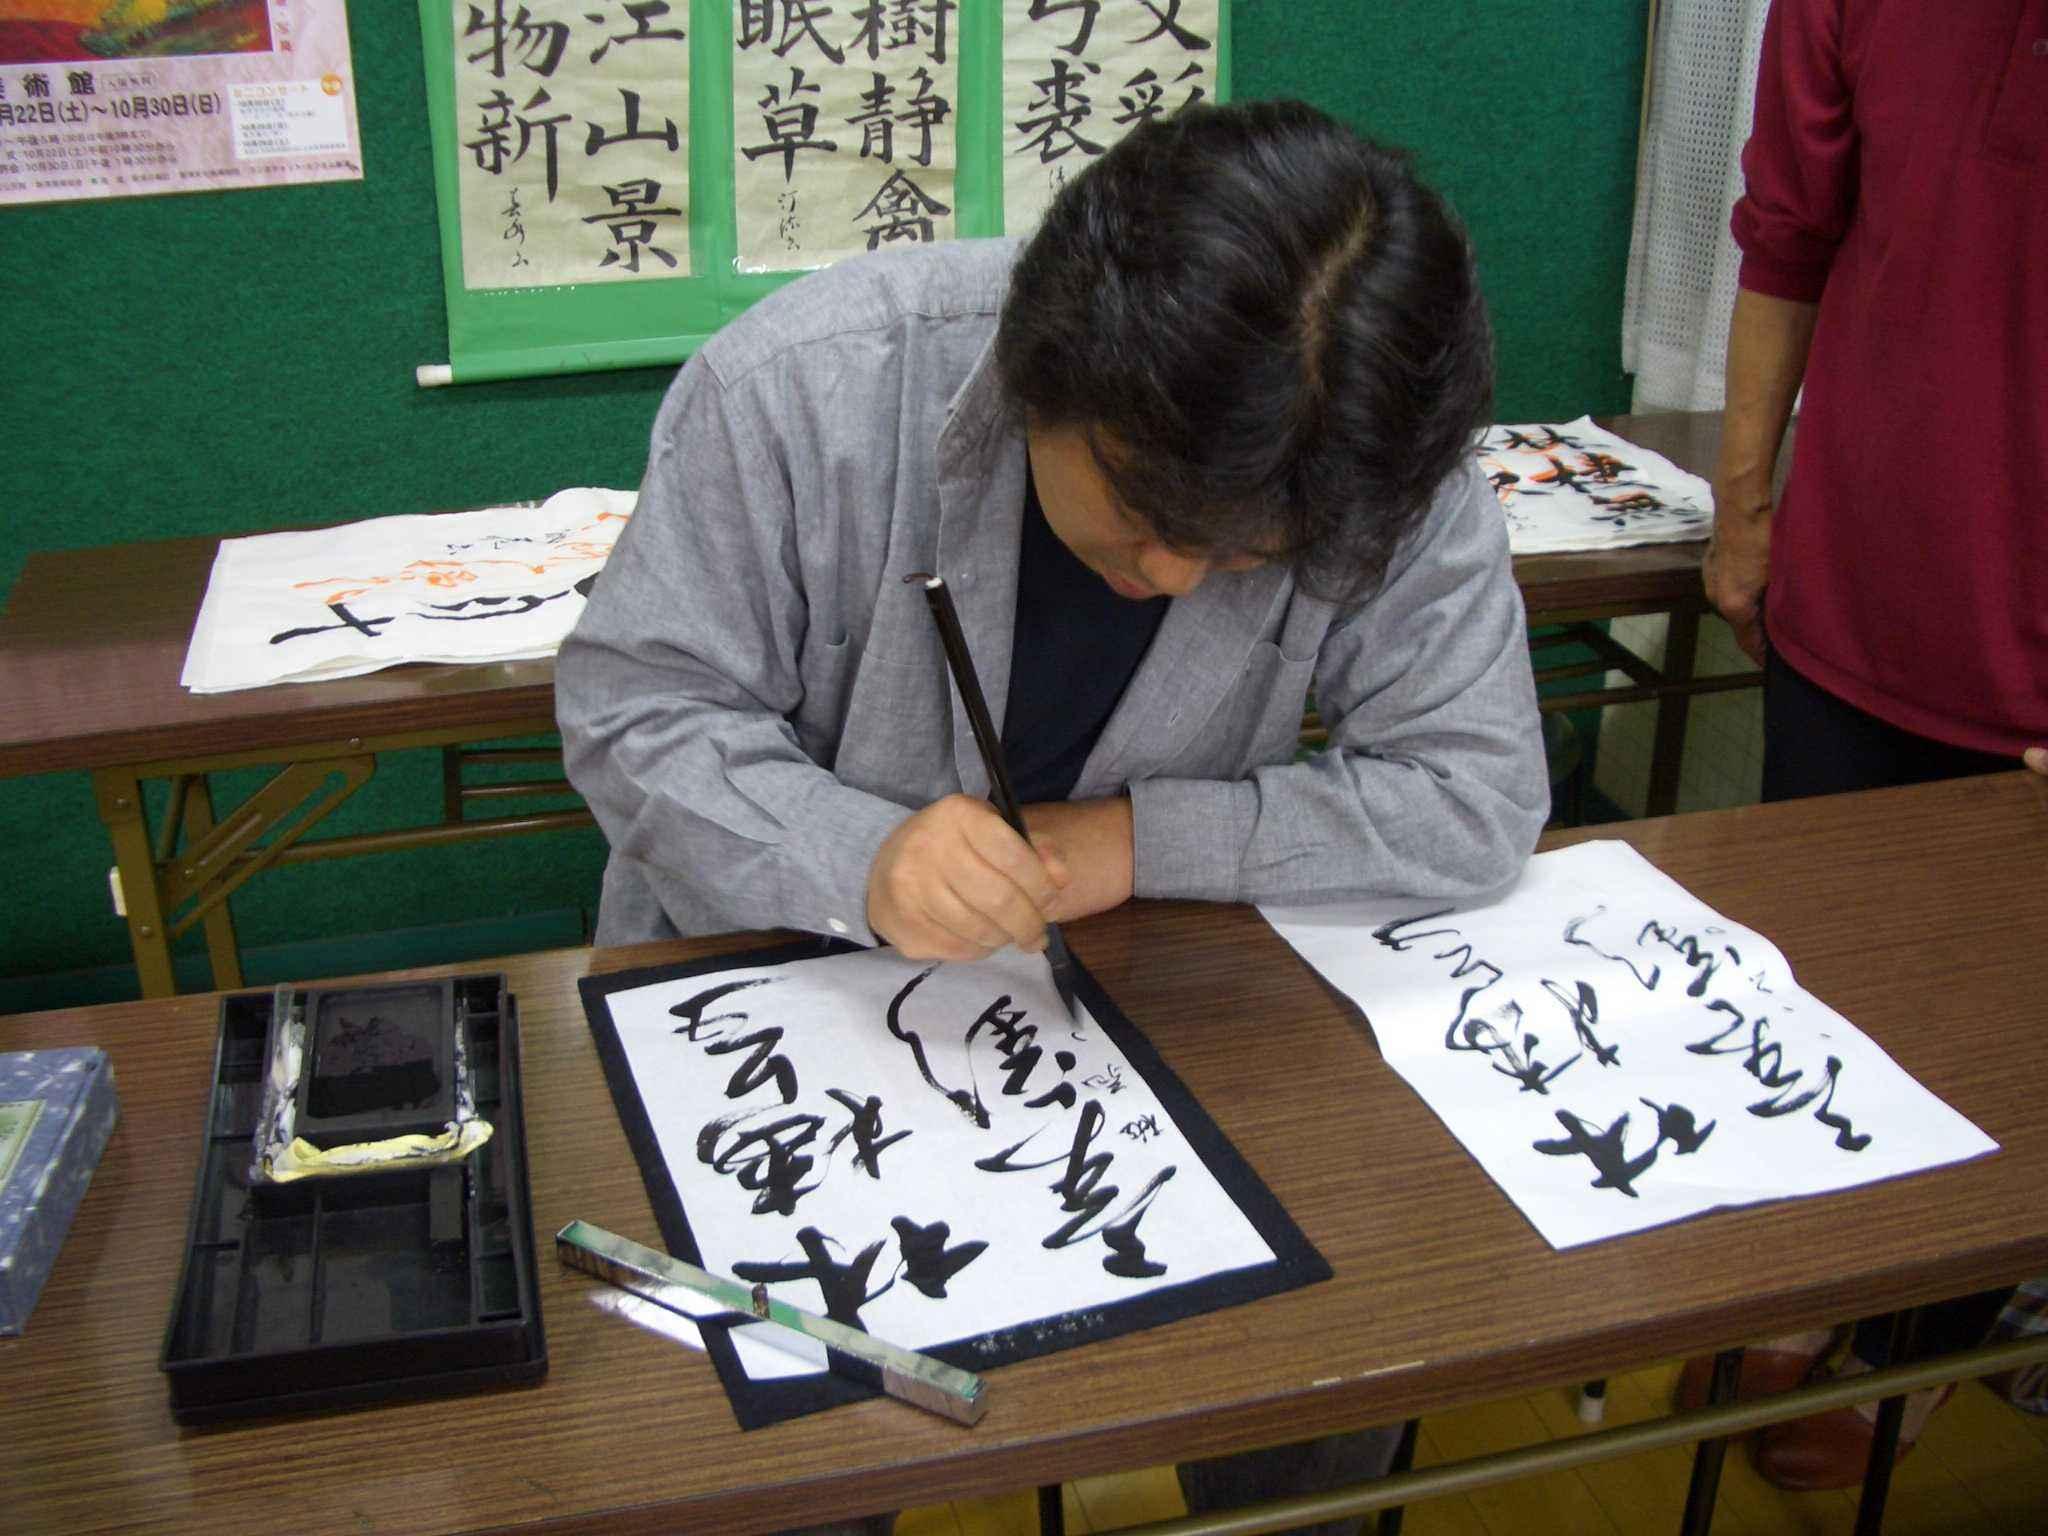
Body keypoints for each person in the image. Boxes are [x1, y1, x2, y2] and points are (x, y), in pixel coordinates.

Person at [558, 99, 1549, 1534]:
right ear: (1042, 365)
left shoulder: (1378, 456)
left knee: (1328, 1380)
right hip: (793, 1005)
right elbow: (635, 712)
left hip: (1167, 1008)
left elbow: (1474, 788)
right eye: (1147, 508)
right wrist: (862, 852)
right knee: (806, 1462)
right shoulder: (805, 391)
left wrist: (1140, 841)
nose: (1179, 571)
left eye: (1250, 552)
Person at [1690, 0, 2046, 1492]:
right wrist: (1747, 501)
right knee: (1810, 996)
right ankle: (1804, 1303)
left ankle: (1929, 1358)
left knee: (2011, 1064)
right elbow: (1789, 236)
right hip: (1856, 592)